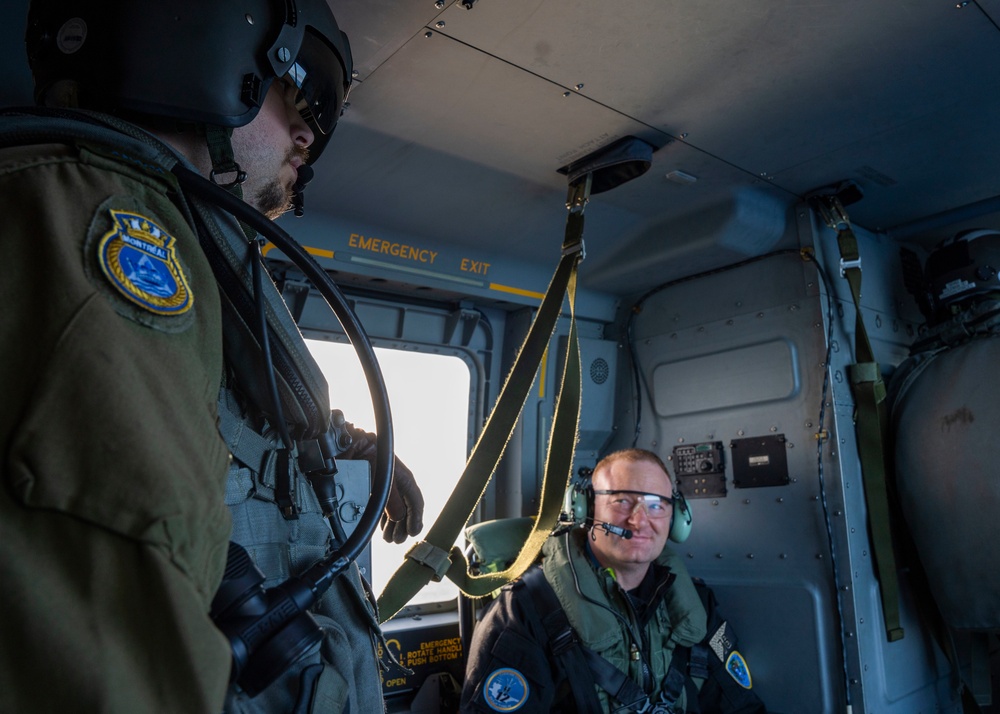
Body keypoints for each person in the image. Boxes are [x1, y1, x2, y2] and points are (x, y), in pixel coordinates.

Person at [0, 1, 422, 712]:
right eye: (296, 93)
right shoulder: (106, 222)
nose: (307, 134)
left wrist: (358, 444)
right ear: (204, 62)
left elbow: (236, 423)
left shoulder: (198, 243)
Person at [461, 449, 768, 713]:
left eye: (656, 505)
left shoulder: (696, 603)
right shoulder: (527, 608)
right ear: (585, 509)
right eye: (622, 501)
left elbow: (740, 706)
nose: (639, 520)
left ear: (675, 520)